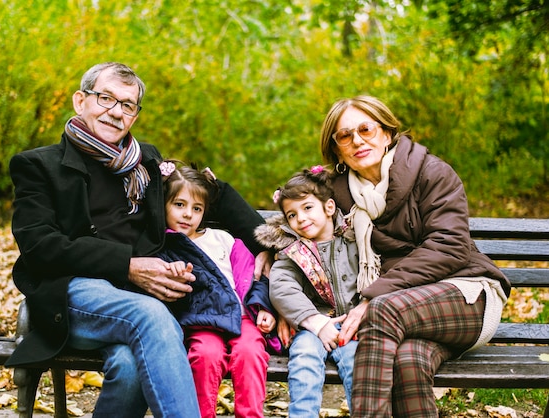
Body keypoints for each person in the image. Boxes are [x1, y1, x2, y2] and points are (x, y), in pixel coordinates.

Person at [5, 62, 271, 418]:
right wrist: (127, 266)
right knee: (153, 316)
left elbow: (213, 194)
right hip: (73, 295)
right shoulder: (39, 166)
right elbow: (40, 247)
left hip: (136, 300)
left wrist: (267, 245)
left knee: (131, 366)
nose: (115, 112)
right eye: (105, 98)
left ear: (134, 115)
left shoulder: (147, 160)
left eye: (127, 105)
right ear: (79, 101)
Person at [319, 95, 511, 417]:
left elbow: (450, 245)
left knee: (381, 310)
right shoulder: (335, 195)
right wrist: (270, 250)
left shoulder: (430, 172)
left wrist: (373, 297)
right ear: (336, 149)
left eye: (366, 129)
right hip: (404, 314)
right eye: (345, 135)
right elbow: (298, 218)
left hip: (465, 296)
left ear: (387, 132)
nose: (357, 140)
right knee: (408, 361)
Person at [156, 161, 280, 418]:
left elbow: (253, 276)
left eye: (197, 208)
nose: (188, 214)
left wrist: (264, 308)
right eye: (179, 205)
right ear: (163, 205)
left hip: (242, 316)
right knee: (205, 355)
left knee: (250, 351)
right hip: (202, 322)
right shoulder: (164, 248)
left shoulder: (222, 239)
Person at [254, 166, 361, 416]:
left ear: (329, 207)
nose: (300, 218)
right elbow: (281, 287)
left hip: (351, 326)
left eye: (307, 208)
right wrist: (315, 322)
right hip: (310, 327)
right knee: (303, 362)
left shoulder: (352, 240)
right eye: (291, 215)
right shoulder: (293, 252)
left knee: (359, 366)